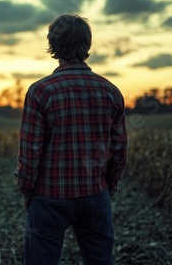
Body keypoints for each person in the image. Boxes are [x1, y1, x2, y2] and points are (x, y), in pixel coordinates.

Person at [14, 14, 128, 265]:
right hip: (95, 195)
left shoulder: (40, 91)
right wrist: (107, 188)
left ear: (53, 45)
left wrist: (27, 192)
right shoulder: (111, 91)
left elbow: (30, 153)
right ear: (87, 46)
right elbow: (119, 151)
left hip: (49, 198)